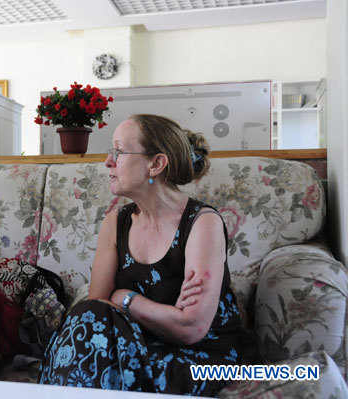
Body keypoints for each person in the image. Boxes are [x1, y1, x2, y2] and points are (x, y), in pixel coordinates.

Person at [39, 114, 243, 396]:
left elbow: (191, 328)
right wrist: (164, 313)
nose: (108, 162)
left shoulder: (202, 222)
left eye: (119, 152)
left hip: (202, 359)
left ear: (156, 164)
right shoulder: (116, 222)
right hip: (136, 347)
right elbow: (98, 311)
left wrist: (125, 298)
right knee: (87, 317)